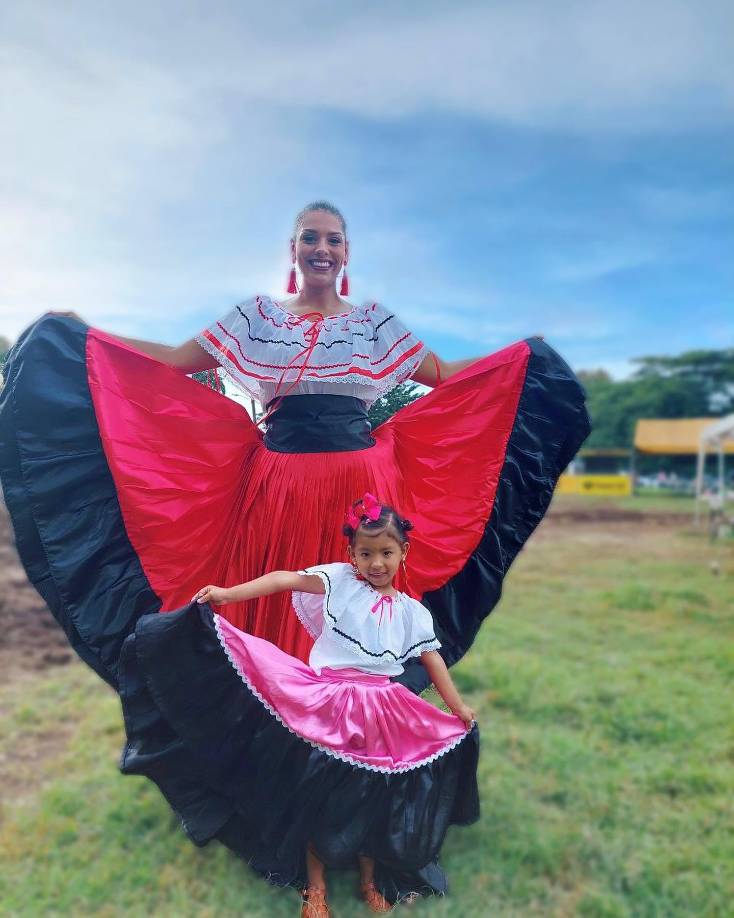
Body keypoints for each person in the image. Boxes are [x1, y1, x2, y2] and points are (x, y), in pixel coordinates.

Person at [0, 199, 591, 698]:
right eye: (310, 237)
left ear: (347, 253)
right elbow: (175, 361)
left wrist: (517, 359)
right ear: (293, 249)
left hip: (360, 484)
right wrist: (89, 336)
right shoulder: (255, 318)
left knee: (355, 603)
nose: (321, 248)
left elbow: (443, 374)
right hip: (278, 485)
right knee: (280, 602)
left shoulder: (374, 325)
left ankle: (354, 731)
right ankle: (278, 730)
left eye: (333, 239)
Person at [120, 495, 480, 915]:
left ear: (404, 551)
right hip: (329, 701)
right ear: (352, 554)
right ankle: (315, 888)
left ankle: (370, 879)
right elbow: (283, 580)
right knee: (319, 793)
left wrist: (457, 707)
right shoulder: (340, 581)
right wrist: (227, 594)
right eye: (366, 553)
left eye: (386, 552)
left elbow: (432, 660)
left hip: (382, 708)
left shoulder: (412, 613)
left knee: (373, 793)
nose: (376, 563)